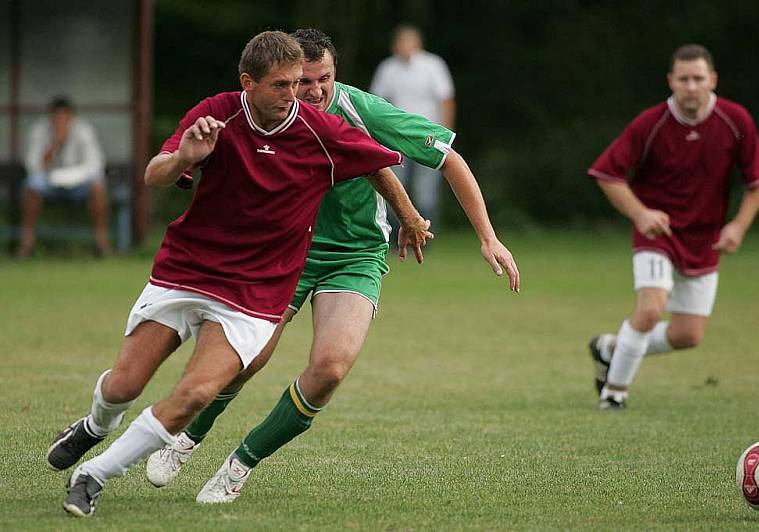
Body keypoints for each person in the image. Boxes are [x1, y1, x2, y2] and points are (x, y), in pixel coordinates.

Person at [47, 30, 431, 518]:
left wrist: (412, 219)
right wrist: (186, 156)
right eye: (281, 86)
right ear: (248, 82)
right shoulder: (216, 114)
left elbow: (380, 164)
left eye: (299, 83)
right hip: (189, 271)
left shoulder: (320, 130)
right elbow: (155, 174)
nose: (295, 95)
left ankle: (95, 474)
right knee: (123, 385)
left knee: (196, 393)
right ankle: (94, 427)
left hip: (255, 292)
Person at [144, 28, 519, 504]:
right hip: (283, 253)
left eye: (325, 79)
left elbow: (445, 159)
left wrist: (488, 238)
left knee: (331, 367)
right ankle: (187, 437)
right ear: (283, 79)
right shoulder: (264, 110)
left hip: (355, 255)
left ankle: (242, 462)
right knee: (246, 359)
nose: (315, 91)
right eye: (304, 81)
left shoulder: (356, 109)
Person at [587, 44, 759, 410]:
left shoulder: (735, 120)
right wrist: (641, 214)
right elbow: (608, 174)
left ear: (712, 80)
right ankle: (614, 393)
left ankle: (612, 348)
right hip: (657, 234)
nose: (691, 86)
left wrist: (739, 225)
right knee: (651, 309)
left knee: (688, 335)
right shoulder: (651, 123)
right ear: (671, 81)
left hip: (705, 239)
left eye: (698, 78)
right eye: (684, 79)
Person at [370, 24, 455, 232]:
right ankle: (395, 233)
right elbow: (375, 102)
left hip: (427, 137)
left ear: (417, 43)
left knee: (426, 188)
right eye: (400, 42)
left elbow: (446, 100)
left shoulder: (433, 65)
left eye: (408, 41)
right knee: (393, 185)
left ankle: (425, 235)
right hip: (395, 136)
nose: (404, 46)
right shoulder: (387, 69)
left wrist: (445, 135)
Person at [17, 96, 111, 258]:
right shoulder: (39, 131)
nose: (60, 121)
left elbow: (95, 165)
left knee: (98, 186)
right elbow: (33, 166)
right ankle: (27, 242)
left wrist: (74, 176)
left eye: (64, 117)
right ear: (50, 116)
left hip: (78, 184)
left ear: (71, 117)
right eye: (56, 117)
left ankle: (101, 242)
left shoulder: (83, 130)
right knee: (32, 186)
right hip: (48, 183)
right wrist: (55, 143)